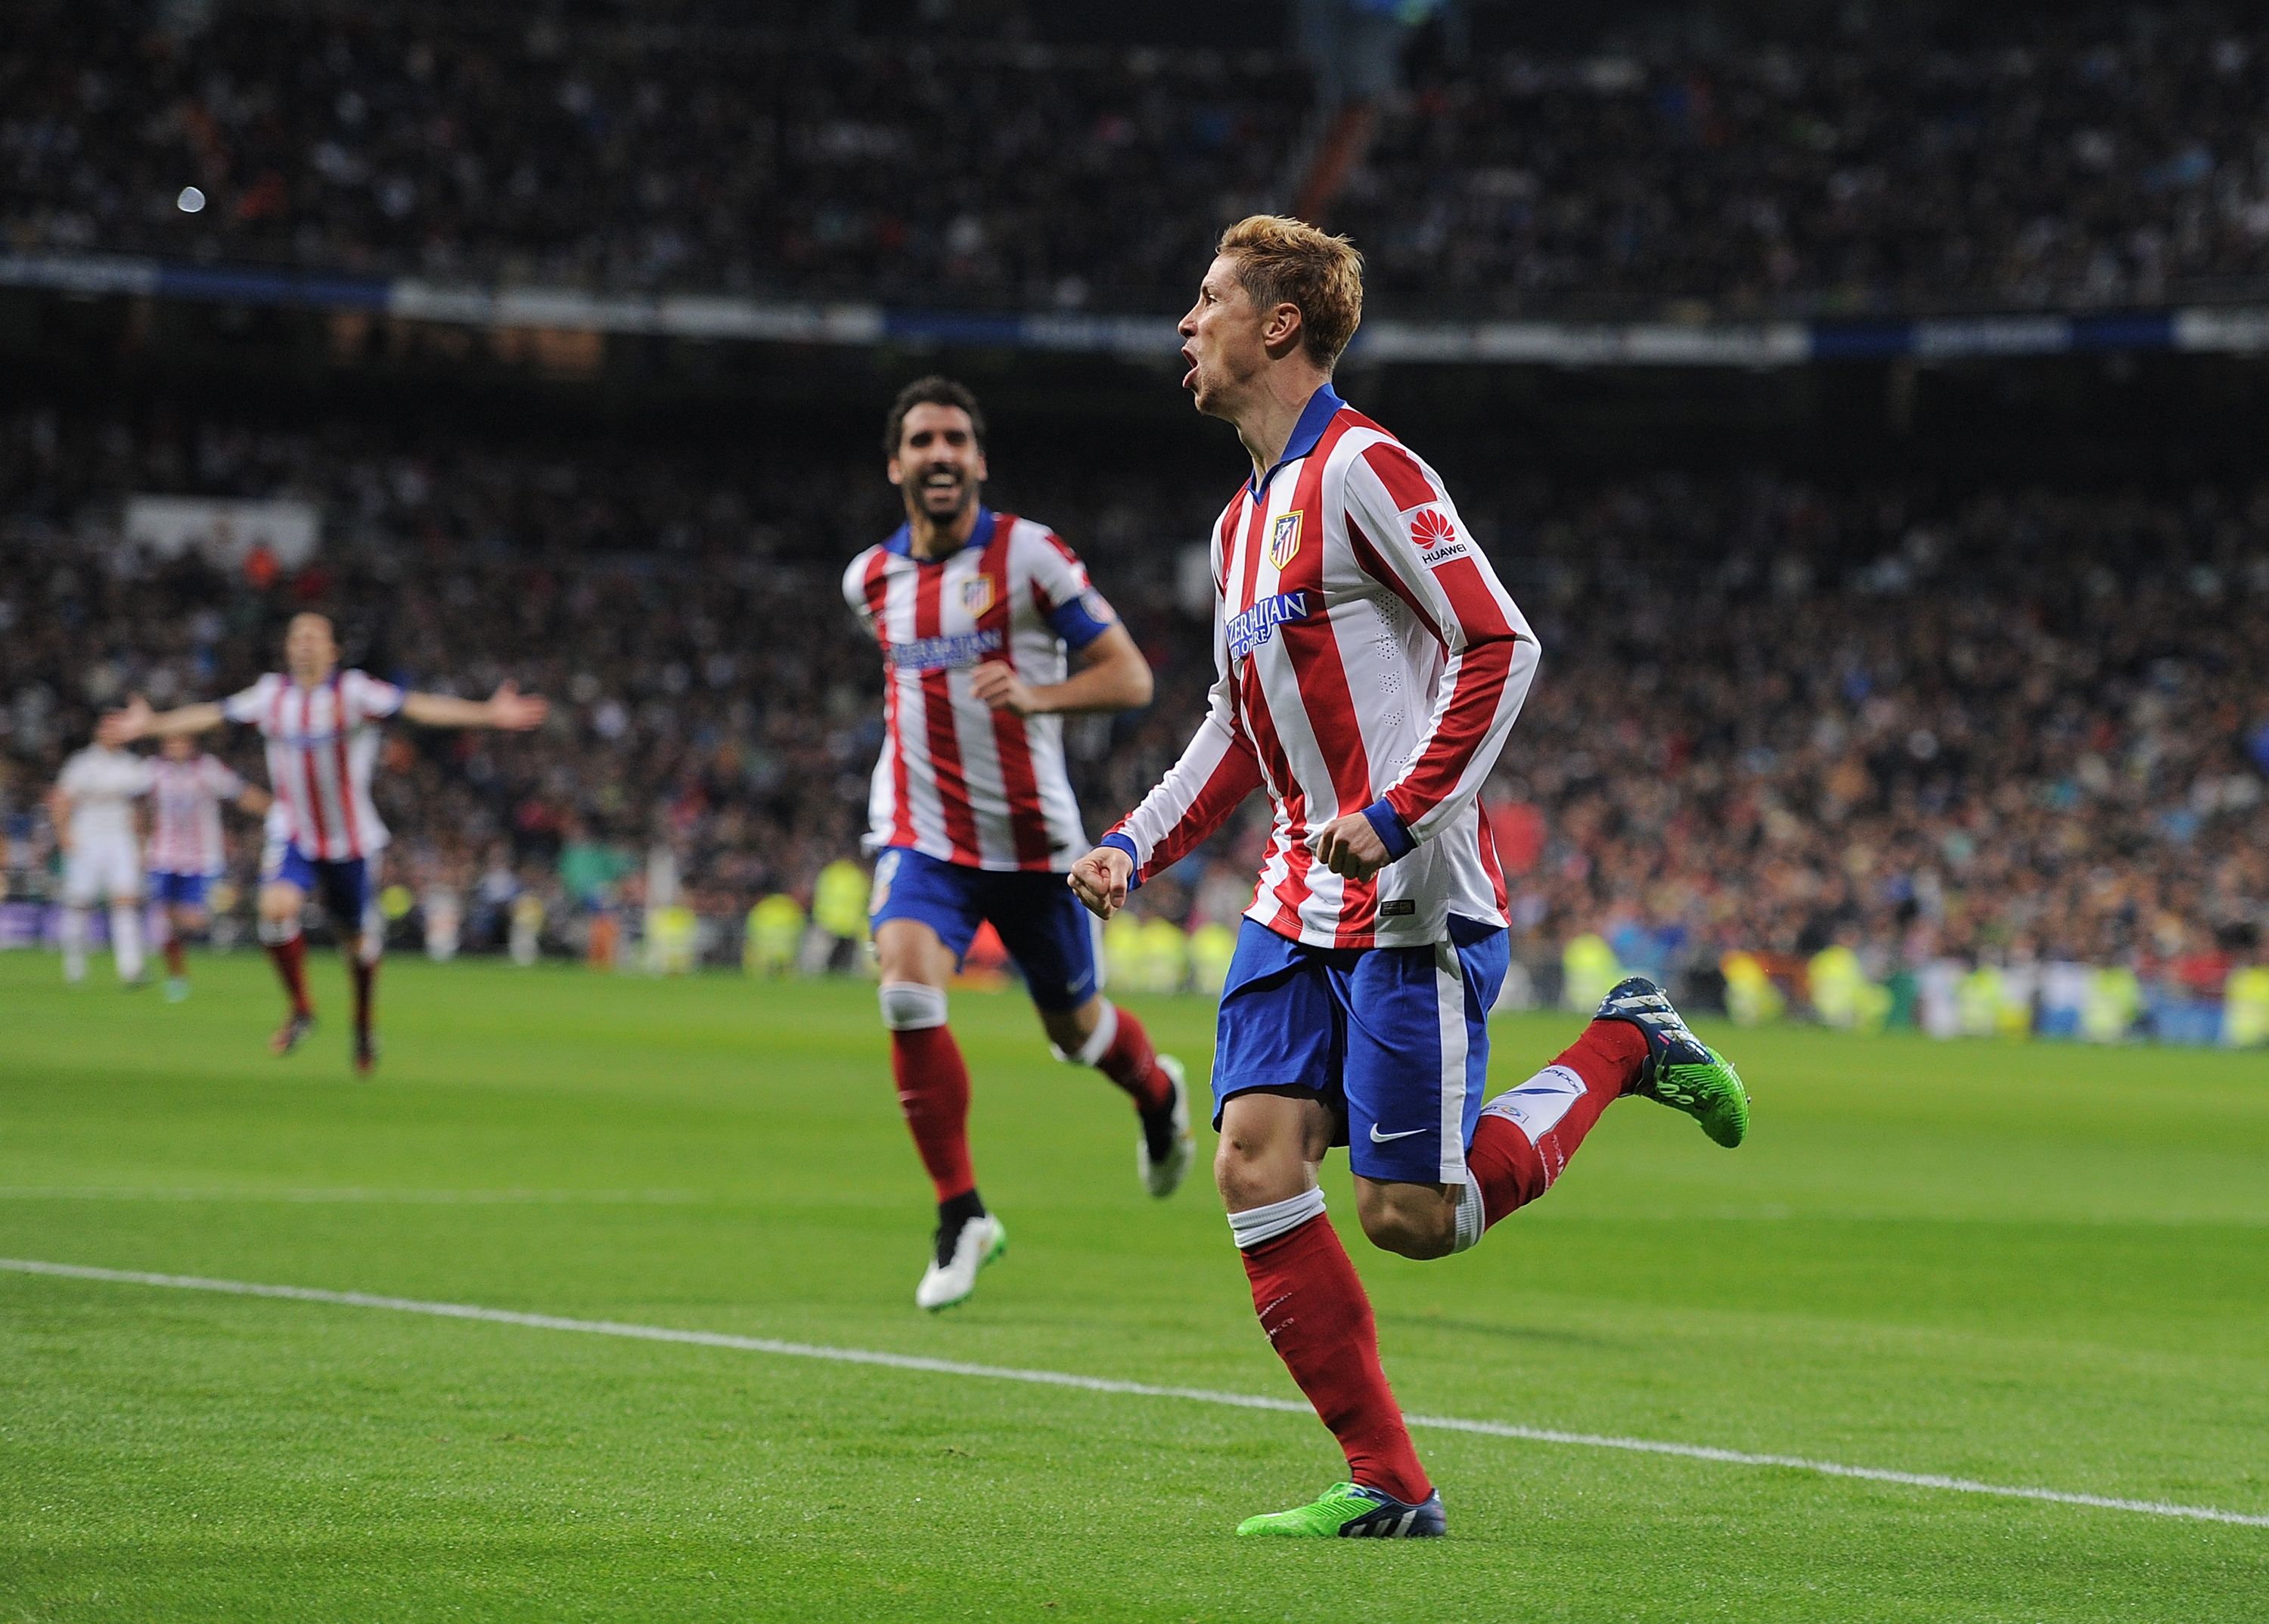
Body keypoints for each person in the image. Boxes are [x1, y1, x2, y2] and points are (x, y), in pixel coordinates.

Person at [1068, 217, 1749, 1539]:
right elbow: (1231, 722)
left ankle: (1622, 1042)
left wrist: (1396, 811)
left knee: (1411, 1217)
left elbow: (1502, 642)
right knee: (1255, 1162)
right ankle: (1389, 1482)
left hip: (1409, 896)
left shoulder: (1364, 467)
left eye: (1206, 300)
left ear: (1278, 325)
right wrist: (1135, 844)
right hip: (1292, 893)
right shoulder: (1239, 523)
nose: (1183, 324)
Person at [843, 374, 1193, 1312]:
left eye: (956, 438)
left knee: (1078, 1035)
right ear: (897, 464)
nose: (940, 453)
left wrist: (1037, 693)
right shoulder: (870, 581)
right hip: (923, 841)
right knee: (910, 993)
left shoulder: (1028, 555)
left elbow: (1128, 677)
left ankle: (1157, 1092)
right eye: (922, 440)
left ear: (979, 460)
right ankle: (962, 1213)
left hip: (1037, 847)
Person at [102, 612, 547, 1072]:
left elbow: (418, 706)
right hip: (293, 832)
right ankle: (301, 1009)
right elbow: (211, 713)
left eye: (315, 637)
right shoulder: (271, 695)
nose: (305, 644)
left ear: (332, 650)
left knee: (356, 945)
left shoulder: (354, 692)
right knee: (274, 912)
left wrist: (487, 714)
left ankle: (363, 1025)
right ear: (288, 649)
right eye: (297, 637)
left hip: (350, 842)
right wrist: (152, 725)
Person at [145, 733, 272, 1001]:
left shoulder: (208, 769)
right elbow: (138, 805)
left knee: (195, 920)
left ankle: (216, 930)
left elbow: (240, 792)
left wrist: (273, 809)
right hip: (164, 856)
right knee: (166, 920)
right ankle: (177, 978)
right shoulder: (154, 771)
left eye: (181, 741)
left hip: (201, 858)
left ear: (191, 744)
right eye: (172, 742)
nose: (177, 746)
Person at [48, 736, 155, 986]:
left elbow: (142, 808)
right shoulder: (82, 763)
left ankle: (131, 968)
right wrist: (64, 834)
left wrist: (142, 844)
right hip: (86, 838)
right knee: (79, 903)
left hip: (122, 839)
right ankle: (75, 966)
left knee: (126, 902)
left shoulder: (132, 765)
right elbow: (61, 799)